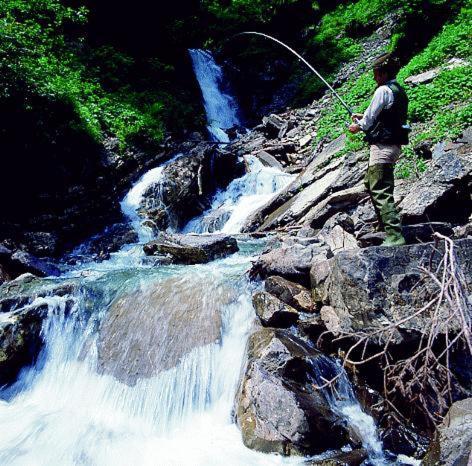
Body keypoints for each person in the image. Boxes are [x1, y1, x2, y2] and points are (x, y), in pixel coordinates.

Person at [349, 52, 409, 246]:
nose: (374, 77)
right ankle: (384, 226)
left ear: (383, 74)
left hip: (383, 146)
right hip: (393, 145)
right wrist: (363, 116)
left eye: (376, 74)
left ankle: (394, 235)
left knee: (380, 189)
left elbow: (368, 121)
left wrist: (357, 126)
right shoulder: (397, 89)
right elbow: (381, 114)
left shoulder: (382, 90)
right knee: (371, 183)